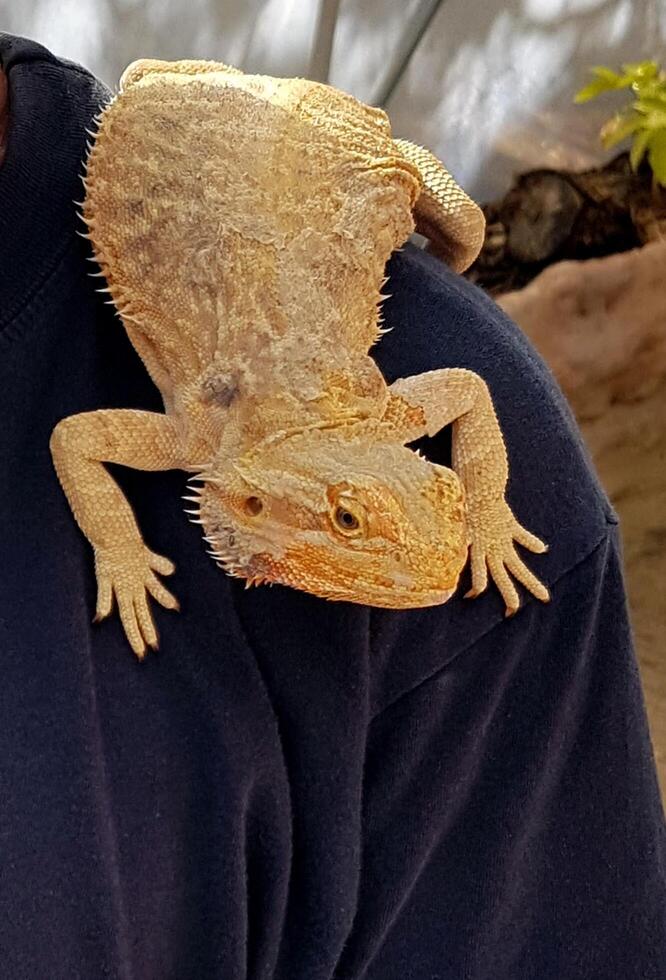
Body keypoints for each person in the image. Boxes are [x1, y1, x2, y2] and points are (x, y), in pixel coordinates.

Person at [0, 31, 664, 980]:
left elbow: (470, 400)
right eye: (348, 522)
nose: (420, 569)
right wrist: (119, 546)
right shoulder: (207, 426)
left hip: (304, 143)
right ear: (269, 498)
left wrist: (482, 505)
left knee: (464, 229)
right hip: (180, 128)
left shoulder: (426, 389)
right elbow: (78, 442)